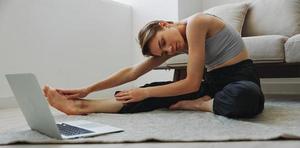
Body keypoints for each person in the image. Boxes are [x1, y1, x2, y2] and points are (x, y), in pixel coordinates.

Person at [43, 13, 264, 118]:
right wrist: (88, 89)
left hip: (240, 78)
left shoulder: (197, 23)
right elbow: (132, 72)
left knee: (247, 98)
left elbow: (191, 82)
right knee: (148, 91)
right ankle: (83, 106)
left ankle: (201, 105)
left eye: (163, 42)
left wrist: (145, 91)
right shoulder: (172, 44)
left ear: (164, 24)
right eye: (164, 51)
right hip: (212, 83)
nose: (170, 50)